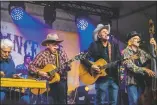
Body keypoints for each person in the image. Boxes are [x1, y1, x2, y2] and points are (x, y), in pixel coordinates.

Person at [81, 24, 121, 105]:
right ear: (99, 35)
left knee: (113, 102)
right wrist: (92, 66)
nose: (106, 33)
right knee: (100, 102)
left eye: (107, 31)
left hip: (114, 78)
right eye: (104, 31)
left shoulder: (114, 45)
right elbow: (83, 58)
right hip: (101, 78)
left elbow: (119, 59)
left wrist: (122, 60)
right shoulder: (94, 45)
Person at [28, 33, 71, 104]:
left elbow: (68, 66)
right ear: (48, 45)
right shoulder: (43, 54)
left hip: (61, 82)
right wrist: (39, 72)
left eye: (57, 43)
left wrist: (68, 66)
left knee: (62, 102)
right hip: (48, 84)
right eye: (53, 43)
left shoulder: (62, 53)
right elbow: (31, 66)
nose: (56, 45)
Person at [122, 31, 156, 105]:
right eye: (135, 38)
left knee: (141, 102)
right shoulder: (126, 51)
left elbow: (153, 58)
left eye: (139, 38)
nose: (138, 40)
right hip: (132, 82)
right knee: (134, 102)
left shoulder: (141, 51)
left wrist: (155, 47)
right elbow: (130, 66)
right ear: (130, 41)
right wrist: (145, 69)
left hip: (141, 81)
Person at [0, 39, 30, 104]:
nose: (7, 54)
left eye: (9, 52)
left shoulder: (11, 62)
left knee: (25, 98)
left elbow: (12, 74)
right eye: (4, 52)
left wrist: (14, 76)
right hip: (1, 89)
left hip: (9, 89)